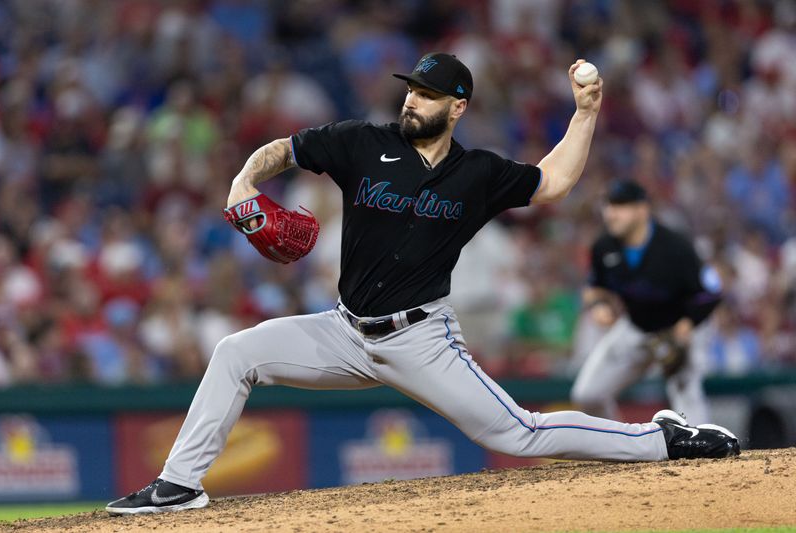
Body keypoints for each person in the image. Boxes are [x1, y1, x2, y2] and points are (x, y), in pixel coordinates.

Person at [106, 53, 738, 515]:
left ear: (456, 107)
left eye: (427, 94)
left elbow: (553, 183)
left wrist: (586, 112)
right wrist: (245, 182)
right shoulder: (361, 143)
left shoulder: (478, 173)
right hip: (343, 331)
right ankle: (180, 484)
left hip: (422, 338)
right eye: (410, 89)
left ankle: (661, 437)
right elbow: (285, 149)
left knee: (518, 433)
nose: (411, 100)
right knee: (235, 352)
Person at [571, 179, 722, 425]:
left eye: (620, 206)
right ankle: (615, 445)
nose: (611, 213)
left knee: (687, 398)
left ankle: (702, 457)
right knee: (587, 394)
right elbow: (594, 287)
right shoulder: (605, 246)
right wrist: (598, 306)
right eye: (609, 206)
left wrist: (685, 326)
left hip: (680, 326)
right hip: (637, 326)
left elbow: (711, 292)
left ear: (642, 210)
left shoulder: (675, 246)